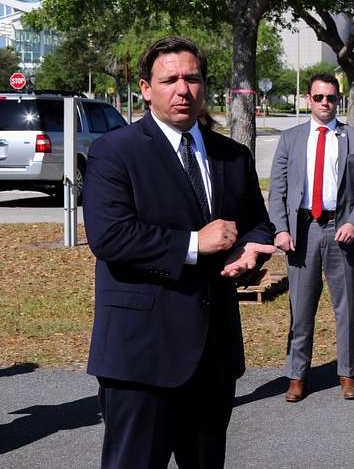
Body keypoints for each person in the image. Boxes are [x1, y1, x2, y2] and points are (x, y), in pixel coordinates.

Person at [83, 36, 275, 469]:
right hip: (141, 359)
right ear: (146, 89)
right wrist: (194, 244)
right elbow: (110, 236)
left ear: (205, 85)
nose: (182, 89)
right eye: (169, 79)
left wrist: (249, 253)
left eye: (191, 78)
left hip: (214, 354)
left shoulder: (231, 155)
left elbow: (256, 223)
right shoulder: (115, 152)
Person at [268, 72, 354, 401]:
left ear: (338, 100)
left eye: (331, 98)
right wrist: (281, 229)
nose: (325, 103)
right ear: (308, 100)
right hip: (303, 232)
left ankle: (348, 374)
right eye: (318, 97)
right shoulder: (291, 139)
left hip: (340, 231)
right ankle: (297, 375)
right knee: (301, 308)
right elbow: (278, 190)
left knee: (346, 308)